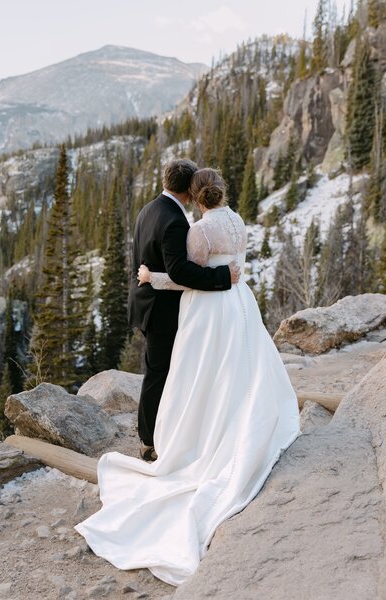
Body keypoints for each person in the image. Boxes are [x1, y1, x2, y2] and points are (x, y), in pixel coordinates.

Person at [74, 167, 301, 587]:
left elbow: (183, 277)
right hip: (237, 304)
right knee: (231, 368)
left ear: (195, 197)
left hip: (204, 309)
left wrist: (150, 277)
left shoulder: (187, 225)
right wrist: (214, 277)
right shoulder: (238, 223)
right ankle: (220, 424)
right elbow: (223, 272)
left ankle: (170, 439)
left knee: (190, 374)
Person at [127, 158, 240, 461]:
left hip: (144, 302)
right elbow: (180, 272)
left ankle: (160, 432)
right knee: (159, 373)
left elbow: (139, 258)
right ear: (189, 191)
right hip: (161, 309)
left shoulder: (147, 209)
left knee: (160, 370)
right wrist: (222, 278)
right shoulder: (175, 220)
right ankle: (149, 441)